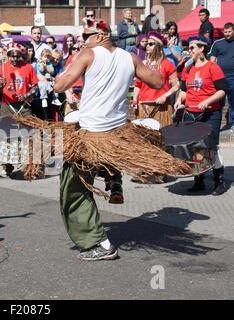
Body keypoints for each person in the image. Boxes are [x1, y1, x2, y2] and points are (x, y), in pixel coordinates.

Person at [50, 19, 166, 261]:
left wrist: (65, 64)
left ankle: (99, 244)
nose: (83, 38)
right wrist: (151, 65)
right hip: (116, 133)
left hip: (92, 135)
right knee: (110, 153)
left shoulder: (87, 54)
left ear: (101, 35)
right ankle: (114, 179)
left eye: (87, 34)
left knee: (74, 191)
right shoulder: (130, 57)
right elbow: (157, 82)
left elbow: (60, 86)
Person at [175, 36, 227, 195]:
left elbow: (222, 90)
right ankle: (199, 180)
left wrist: (207, 101)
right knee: (194, 148)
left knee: (212, 147)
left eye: (192, 48)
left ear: (202, 49)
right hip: (191, 113)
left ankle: (219, 182)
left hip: (210, 113)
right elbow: (184, 90)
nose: (188, 51)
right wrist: (179, 100)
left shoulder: (212, 67)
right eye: (188, 48)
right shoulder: (188, 68)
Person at [0, 42, 39, 178]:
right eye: (12, 56)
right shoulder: (1, 68)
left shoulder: (28, 67)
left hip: (24, 106)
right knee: (5, 136)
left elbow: (35, 86)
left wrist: (26, 95)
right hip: (8, 105)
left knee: (29, 135)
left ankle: (30, 165)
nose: (14, 59)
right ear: (7, 56)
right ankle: (6, 167)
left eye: (17, 56)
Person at [132, 31, 179, 129]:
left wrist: (164, 96)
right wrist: (134, 99)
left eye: (150, 44)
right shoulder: (143, 64)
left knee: (161, 138)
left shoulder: (167, 64)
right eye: (146, 44)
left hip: (161, 108)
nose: (147, 46)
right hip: (143, 106)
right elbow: (137, 85)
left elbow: (176, 86)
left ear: (158, 46)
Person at [209, 22, 234, 133]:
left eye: (229, 32)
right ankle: (216, 124)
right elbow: (212, 59)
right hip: (219, 78)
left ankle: (232, 124)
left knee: (233, 101)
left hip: (233, 77)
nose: (227, 34)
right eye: (225, 32)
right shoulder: (218, 43)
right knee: (218, 102)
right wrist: (210, 74)